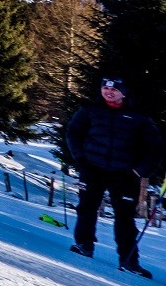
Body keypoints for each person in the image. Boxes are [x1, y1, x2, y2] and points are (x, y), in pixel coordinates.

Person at [66, 78, 162, 278]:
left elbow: (155, 148)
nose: (109, 92)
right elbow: (73, 133)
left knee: (125, 218)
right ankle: (84, 244)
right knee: (86, 208)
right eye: (105, 88)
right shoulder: (90, 110)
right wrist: (81, 159)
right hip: (93, 169)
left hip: (125, 174)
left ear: (123, 93)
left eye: (114, 89)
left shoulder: (138, 117)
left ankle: (128, 260)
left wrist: (140, 171)